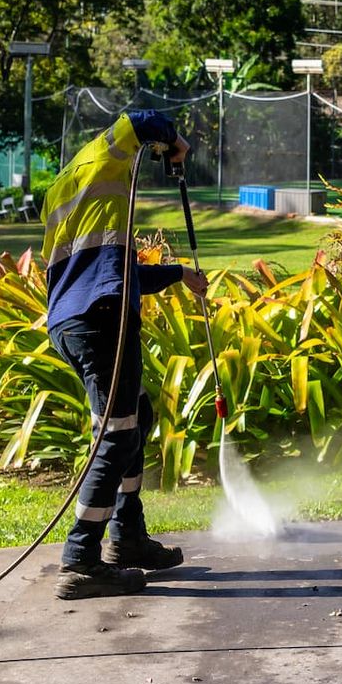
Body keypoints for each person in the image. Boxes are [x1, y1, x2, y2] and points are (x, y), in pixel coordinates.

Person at [39, 108, 207, 599]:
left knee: (138, 415)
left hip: (72, 319)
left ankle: (127, 538)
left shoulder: (63, 192)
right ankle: (81, 558)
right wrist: (176, 144)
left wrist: (177, 274)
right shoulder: (104, 155)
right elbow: (145, 119)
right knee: (116, 433)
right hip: (103, 318)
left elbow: (110, 269)